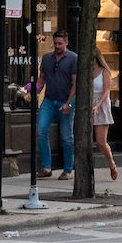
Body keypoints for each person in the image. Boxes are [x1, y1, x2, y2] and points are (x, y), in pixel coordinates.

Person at [35, 31, 77, 179]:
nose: (57, 46)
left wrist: (68, 104)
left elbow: (75, 84)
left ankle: (68, 169)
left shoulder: (73, 59)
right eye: (55, 43)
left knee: (67, 136)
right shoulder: (47, 58)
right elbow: (42, 79)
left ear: (66, 42)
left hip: (66, 100)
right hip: (49, 100)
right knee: (41, 131)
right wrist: (32, 91)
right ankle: (46, 167)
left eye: (60, 43)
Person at [89, 51, 118, 182]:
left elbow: (106, 91)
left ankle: (111, 164)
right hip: (88, 105)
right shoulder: (86, 72)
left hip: (101, 105)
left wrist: (98, 106)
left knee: (101, 142)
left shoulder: (104, 72)